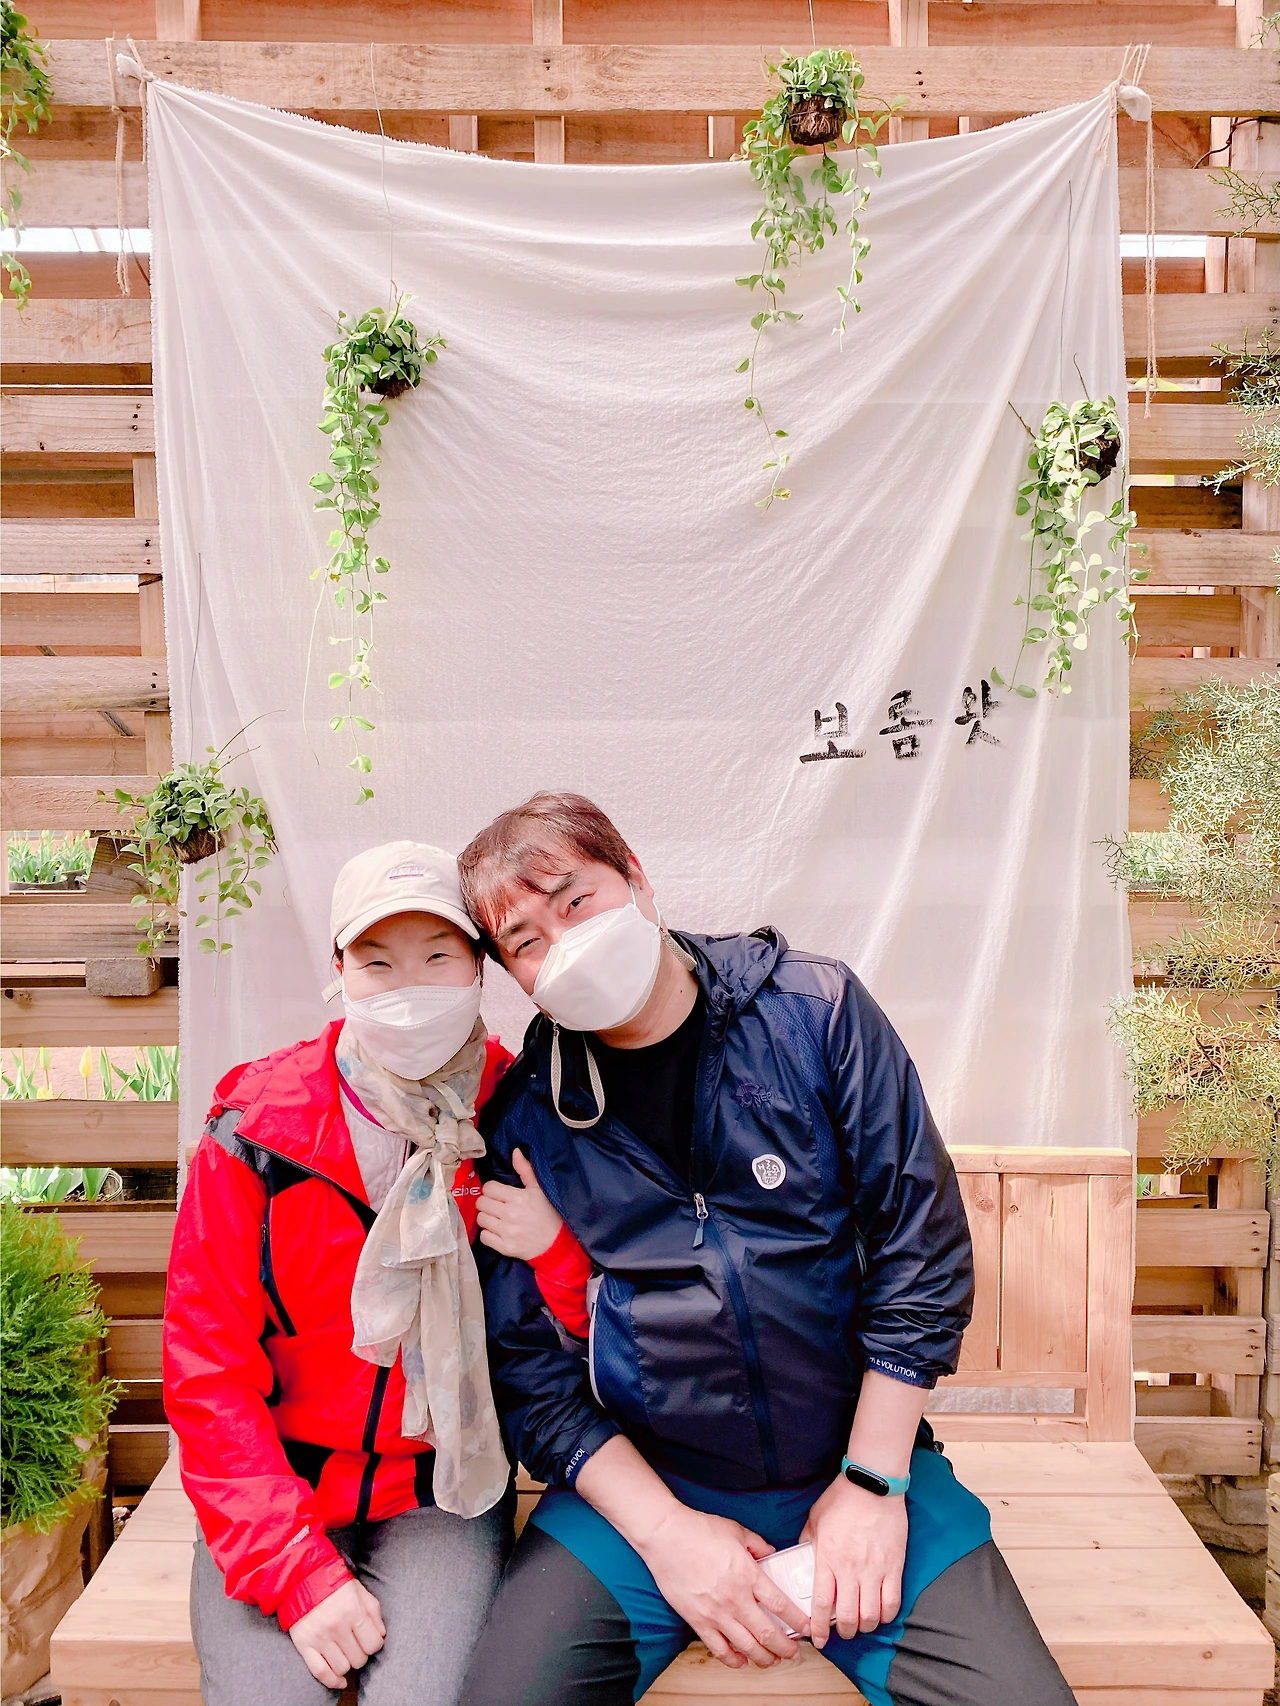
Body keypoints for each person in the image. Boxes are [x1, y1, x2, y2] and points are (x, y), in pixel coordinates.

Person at [456, 794, 1075, 1706]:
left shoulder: (814, 1014)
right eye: (526, 941)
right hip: (645, 1489)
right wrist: (669, 1535)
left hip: (858, 1457)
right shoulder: (531, 1117)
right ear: (513, 976)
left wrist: (873, 1483)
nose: (564, 944)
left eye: (576, 900)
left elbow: (920, 1246)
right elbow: (530, 1374)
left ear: (636, 879)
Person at [163, 842, 591, 1706]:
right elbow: (205, 1368)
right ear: (339, 971)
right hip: (274, 1485)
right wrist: (295, 1567)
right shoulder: (257, 1131)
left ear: (479, 967)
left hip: (441, 1489)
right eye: (378, 962)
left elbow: (586, 1333)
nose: (410, 987)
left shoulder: (519, 1114)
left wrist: (557, 1254)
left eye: (437, 957)